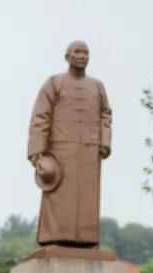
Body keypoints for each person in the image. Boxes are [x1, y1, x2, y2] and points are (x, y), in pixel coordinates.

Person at [28, 40, 112, 246]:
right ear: (67, 57)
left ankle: (85, 239)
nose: (82, 56)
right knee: (60, 198)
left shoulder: (97, 86)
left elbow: (105, 114)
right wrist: (37, 153)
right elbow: (40, 117)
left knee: (87, 198)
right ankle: (55, 237)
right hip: (60, 152)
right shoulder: (53, 83)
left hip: (89, 152)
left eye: (86, 53)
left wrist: (105, 141)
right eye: (77, 52)